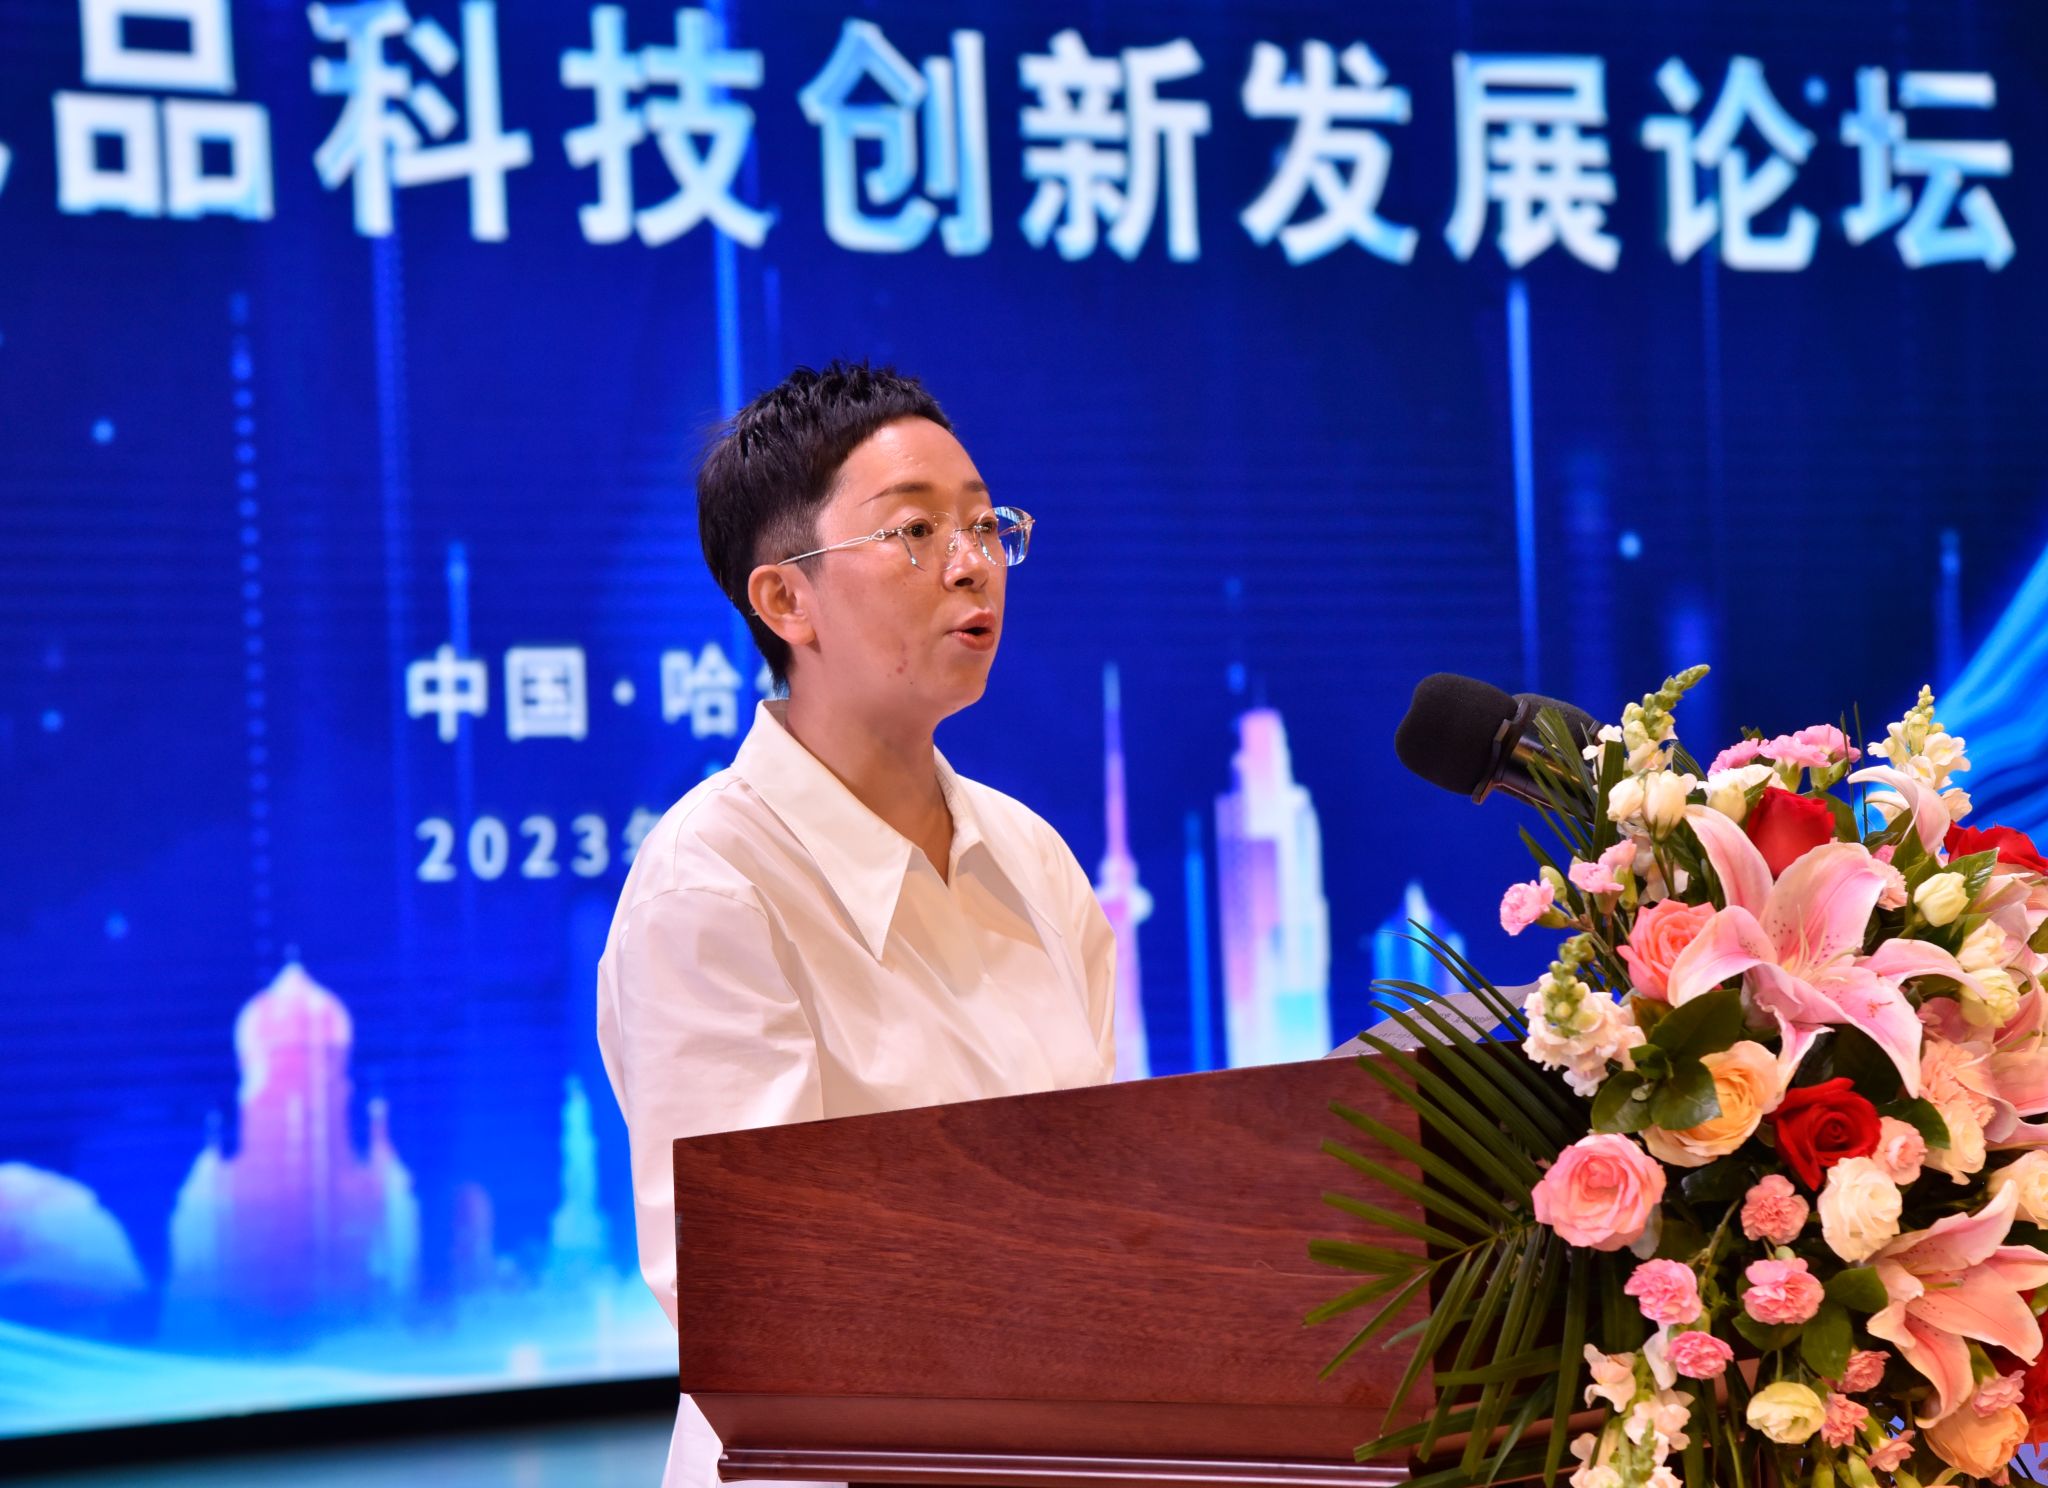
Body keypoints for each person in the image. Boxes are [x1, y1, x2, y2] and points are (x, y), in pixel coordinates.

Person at [595, 361, 1117, 1488]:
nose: (972, 563)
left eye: (985, 524)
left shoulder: (1031, 856)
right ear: (785, 601)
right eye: (915, 531)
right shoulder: (713, 885)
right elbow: (761, 1298)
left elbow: (1103, 1198)